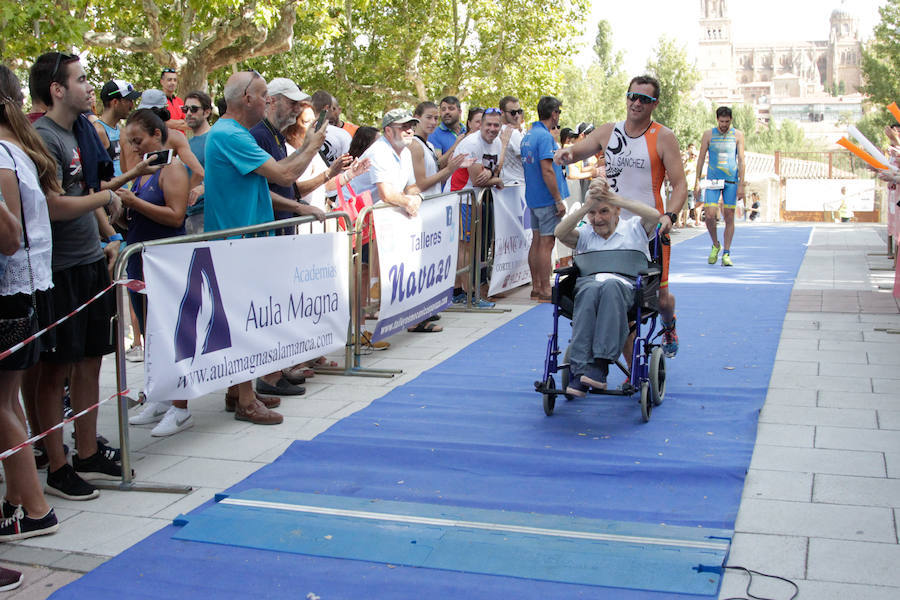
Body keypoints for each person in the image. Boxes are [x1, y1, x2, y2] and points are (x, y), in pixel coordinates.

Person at [30, 52, 159, 499]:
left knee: (91, 361)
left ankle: (87, 452)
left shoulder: (82, 132)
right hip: (58, 270)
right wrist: (104, 200)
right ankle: (58, 463)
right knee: (55, 371)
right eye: (81, 80)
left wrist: (107, 233)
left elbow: (90, 190)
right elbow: (56, 205)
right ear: (57, 89)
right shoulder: (42, 137)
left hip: (91, 262)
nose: (90, 87)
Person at [202, 70, 326, 423]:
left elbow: (269, 180)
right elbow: (286, 176)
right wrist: (312, 147)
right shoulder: (230, 134)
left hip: (244, 240)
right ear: (246, 99)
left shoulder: (232, 133)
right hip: (238, 241)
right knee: (243, 322)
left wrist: (298, 201)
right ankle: (243, 399)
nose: (268, 101)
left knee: (243, 318)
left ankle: (238, 392)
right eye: (262, 95)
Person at [554, 75, 687, 358]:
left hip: (647, 227)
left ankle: (669, 322)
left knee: (660, 300)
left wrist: (670, 216)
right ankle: (632, 374)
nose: (636, 103)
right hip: (610, 227)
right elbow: (580, 149)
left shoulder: (663, 137)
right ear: (626, 97)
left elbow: (680, 184)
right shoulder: (608, 131)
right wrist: (566, 154)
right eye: (632, 96)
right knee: (627, 307)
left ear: (655, 104)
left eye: (645, 99)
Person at [0, 64, 60, 547]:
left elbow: (8, 234)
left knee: (2, 403)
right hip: (22, 289)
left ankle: (32, 506)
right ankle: (22, 502)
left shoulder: (5, 152)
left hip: (12, 291)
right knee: (7, 401)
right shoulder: (16, 148)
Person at [113, 108, 192, 436]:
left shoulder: (173, 168)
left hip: (167, 260)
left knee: (174, 334)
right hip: (142, 259)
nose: (133, 148)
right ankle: (159, 396)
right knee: (152, 333)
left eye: (138, 140)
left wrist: (134, 203)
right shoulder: (143, 170)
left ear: (157, 136)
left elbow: (176, 216)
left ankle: (180, 407)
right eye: (129, 142)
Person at [554, 179, 661, 396]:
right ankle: (579, 369)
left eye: (604, 211)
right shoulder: (585, 234)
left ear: (617, 211)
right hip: (590, 288)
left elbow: (655, 217)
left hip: (626, 289)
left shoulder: (634, 229)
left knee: (611, 286)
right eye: (593, 213)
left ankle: (600, 364)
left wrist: (614, 198)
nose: (598, 218)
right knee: (589, 289)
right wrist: (586, 206)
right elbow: (560, 232)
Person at [449, 107, 505, 309]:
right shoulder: (471, 143)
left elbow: (490, 171)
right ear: (480, 124)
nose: (492, 128)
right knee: (466, 246)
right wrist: (495, 178)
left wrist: (491, 175)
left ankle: (457, 290)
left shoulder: (497, 142)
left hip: (474, 198)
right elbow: (478, 178)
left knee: (470, 244)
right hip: (462, 197)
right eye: (488, 124)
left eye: (496, 125)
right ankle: (468, 293)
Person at [522, 95, 568, 302]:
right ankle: (544, 289)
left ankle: (536, 287)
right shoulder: (545, 137)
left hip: (533, 196)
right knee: (547, 243)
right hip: (546, 197)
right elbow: (547, 170)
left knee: (537, 241)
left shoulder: (528, 135)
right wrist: (558, 199)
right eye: (558, 112)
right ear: (553, 113)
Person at [121, 90, 204, 192]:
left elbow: (124, 169)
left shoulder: (125, 134)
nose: (135, 148)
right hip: (161, 198)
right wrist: (182, 197)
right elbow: (199, 172)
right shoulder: (173, 136)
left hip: (138, 193)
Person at [693, 106, 745, 267]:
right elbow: (701, 158)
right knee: (709, 215)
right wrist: (696, 181)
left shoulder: (738, 135)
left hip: (731, 181)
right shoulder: (708, 135)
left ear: (731, 120)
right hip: (713, 180)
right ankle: (716, 244)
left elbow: (742, 160)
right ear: (717, 120)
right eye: (721, 121)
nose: (724, 125)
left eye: (727, 122)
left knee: (729, 216)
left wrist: (742, 184)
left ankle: (727, 253)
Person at [410, 101, 464, 196]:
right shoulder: (415, 145)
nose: (433, 122)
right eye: (429, 117)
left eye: (436, 118)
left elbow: (437, 180)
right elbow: (420, 185)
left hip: (435, 203)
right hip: (422, 204)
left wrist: (454, 166)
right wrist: (448, 169)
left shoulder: (429, 145)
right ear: (417, 118)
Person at [94, 80, 141, 177]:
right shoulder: (98, 131)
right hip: (109, 190)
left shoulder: (119, 129)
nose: (132, 106)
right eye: (128, 101)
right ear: (115, 102)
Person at [183, 90, 212, 234]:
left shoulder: (215, 138)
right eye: (185, 109)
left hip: (209, 213)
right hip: (188, 215)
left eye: (194, 109)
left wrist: (204, 187)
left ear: (207, 112)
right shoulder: (186, 144)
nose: (188, 113)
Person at [312, 90, 352, 167]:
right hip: (337, 178)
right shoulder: (343, 135)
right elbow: (348, 164)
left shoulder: (298, 131)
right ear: (327, 108)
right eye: (332, 108)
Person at [498, 95, 525, 186]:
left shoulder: (496, 130)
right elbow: (527, 155)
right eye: (513, 112)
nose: (517, 115)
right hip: (516, 183)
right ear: (502, 113)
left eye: (519, 111)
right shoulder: (512, 132)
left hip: (506, 183)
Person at [159, 68, 187, 132]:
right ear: (162, 82)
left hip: (181, 140)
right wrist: (181, 122)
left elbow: (189, 123)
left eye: (175, 80)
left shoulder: (180, 101)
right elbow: (160, 123)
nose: (173, 83)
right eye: (169, 80)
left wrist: (171, 123)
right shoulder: (157, 101)